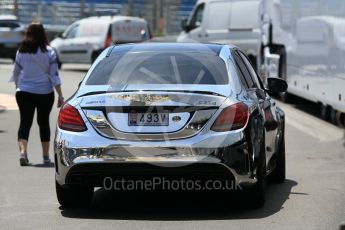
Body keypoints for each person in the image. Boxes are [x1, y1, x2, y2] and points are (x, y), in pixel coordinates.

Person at [10, 23, 64, 166]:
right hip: (44, 93)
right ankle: (45, 156)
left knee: (25, 123)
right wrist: (60, 95)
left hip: (24, 92)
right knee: (44, 123)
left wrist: (18, 87)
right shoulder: (50, 52)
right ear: (43, 34)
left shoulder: (21, 51)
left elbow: (16, 74)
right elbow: (54, 76)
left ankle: (23, 153)